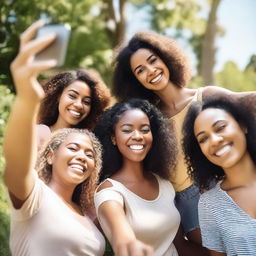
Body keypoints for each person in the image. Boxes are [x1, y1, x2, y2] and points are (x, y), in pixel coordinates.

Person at [111, 30, 256, 245]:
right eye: (140, 70)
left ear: (166, 58)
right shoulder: (149, 120)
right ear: (135, 80)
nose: (151, 71)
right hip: (185, 201)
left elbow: (250, 103)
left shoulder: (205, 96)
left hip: (221, 184)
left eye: (153, 60)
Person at [3, 20, 105, 255]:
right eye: (72, 95)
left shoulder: (86, 218)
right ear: (49, 155)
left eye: (88, 154)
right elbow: (18, 169)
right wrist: (27, 98)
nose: (78, 105)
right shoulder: (36, 194)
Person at [94, 98, 180, 256]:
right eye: (127, 130)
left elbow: (177, 242)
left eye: (145, 129)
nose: (138, 136)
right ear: (113, 138)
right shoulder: (109, 192)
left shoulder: (164, 183)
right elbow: (122, 238)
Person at [182, 98, 256, 256]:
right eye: (203, 139)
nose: (214, 141)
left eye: (220, 128)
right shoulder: (210, 205)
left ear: (242, 125)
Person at [37, 67, 111, 151]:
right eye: (72, 96)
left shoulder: (89, 144)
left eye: (86, 102)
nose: (79, 105)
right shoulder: (39, 134)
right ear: (58, 96)